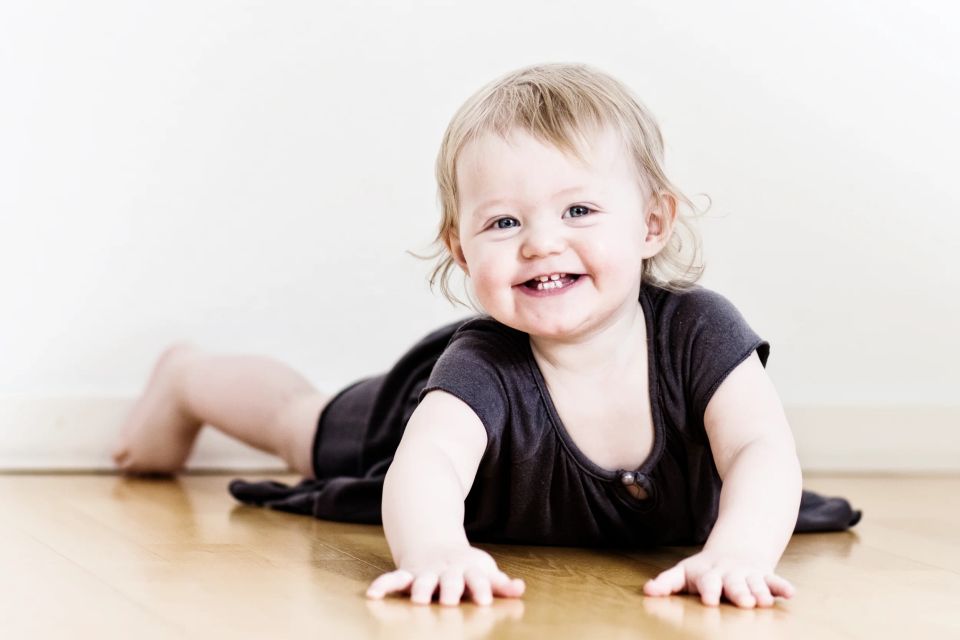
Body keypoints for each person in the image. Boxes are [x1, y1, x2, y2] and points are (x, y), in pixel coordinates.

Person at [112, 62, 860, 610]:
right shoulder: (482, 364)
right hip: (412, 416)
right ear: (463, 250)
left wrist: (738, 552)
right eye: (504, 222)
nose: (540, 243)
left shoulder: (699, 333)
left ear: (652, 223)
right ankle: (186, 377)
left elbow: (759, 450)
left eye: (579, 211)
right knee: (299, 425)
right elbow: (429, 464)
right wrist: (436, 548)